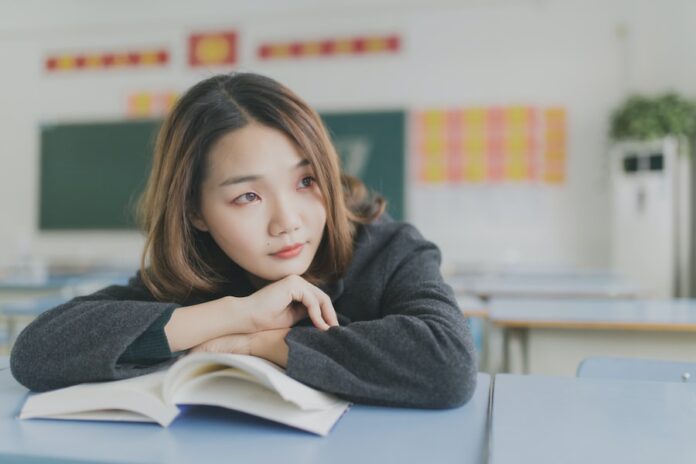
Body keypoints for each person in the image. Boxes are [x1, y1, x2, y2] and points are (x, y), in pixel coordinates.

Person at [10, 72, 477, 408]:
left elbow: (448, 364)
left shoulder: (387, 249)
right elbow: (37, 352)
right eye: (248, 196)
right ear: (195, 211)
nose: (287, 222)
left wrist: (260, 344)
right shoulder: (201, 272)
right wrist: (235, 314)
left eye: (306, 181)